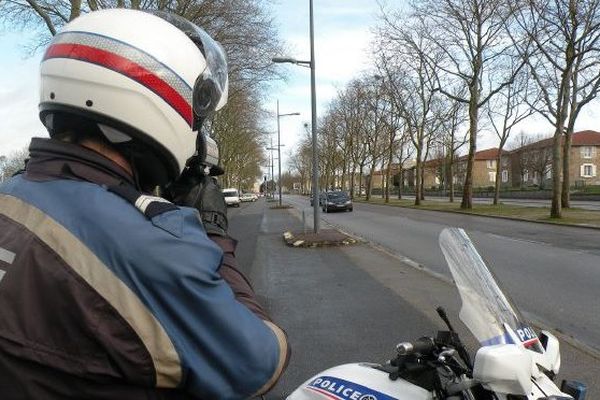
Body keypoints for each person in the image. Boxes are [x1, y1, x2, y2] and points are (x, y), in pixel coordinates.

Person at [0, 9, 288, 400]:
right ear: (159, 103)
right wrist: (215, 233)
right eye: (197, 118)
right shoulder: (148, 246)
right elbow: (258, 364)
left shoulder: (10, 194)